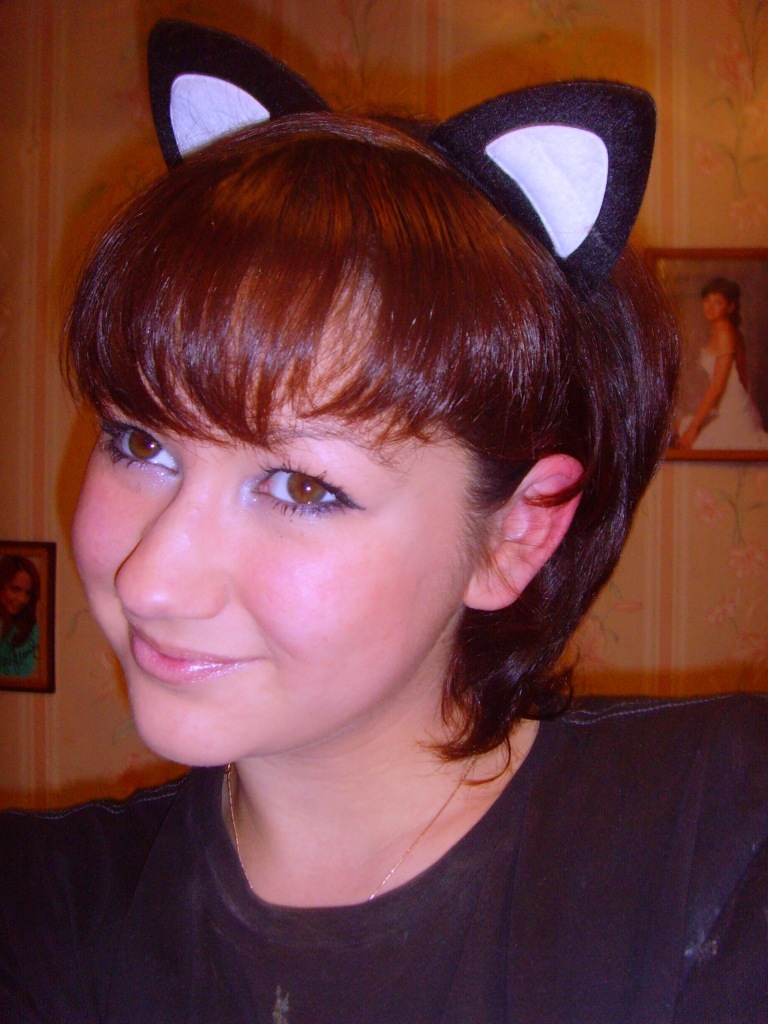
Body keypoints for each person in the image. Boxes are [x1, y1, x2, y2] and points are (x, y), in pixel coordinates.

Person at [1, 21, 766, 1024]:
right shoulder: (43, 912)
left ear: (517, 535)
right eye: (141, 442)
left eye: (301, 488)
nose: (151, 578)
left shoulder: (726, 836)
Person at [676, 276, 768, 450]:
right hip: (724, 408)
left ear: (730, 307)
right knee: (679, 429)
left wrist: (694, 428)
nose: (710, 307)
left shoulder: (726, 334)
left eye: (717, 302)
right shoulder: (725, 331)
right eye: (707, 301)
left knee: (692, 439)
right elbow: (742, 377)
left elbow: (717, 387)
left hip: (733, 412)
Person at [0, 554, 40, 678]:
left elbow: (22, 674)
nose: (22, 599)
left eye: (27, 593)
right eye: (15, 589)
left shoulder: (31, 631)